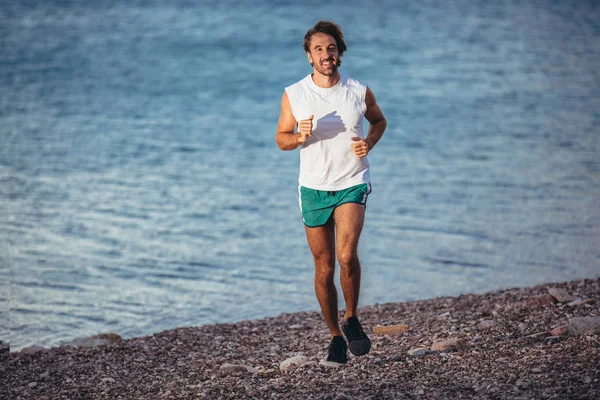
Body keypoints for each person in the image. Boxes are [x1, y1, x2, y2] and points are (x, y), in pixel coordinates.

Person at [275, 20, 387, 364]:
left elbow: (379, 121)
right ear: (309, 56)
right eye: (319, 49)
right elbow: (281, 138)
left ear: (340, 52)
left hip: (352, 182)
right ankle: (335, 337)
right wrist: (299, 137)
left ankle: (351, 318)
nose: (326, 54)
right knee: (323, 266)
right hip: (312, 187)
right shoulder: (295, 93)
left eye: (331, 48)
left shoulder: (358, 90)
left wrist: (368, 143)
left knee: (345, 256)